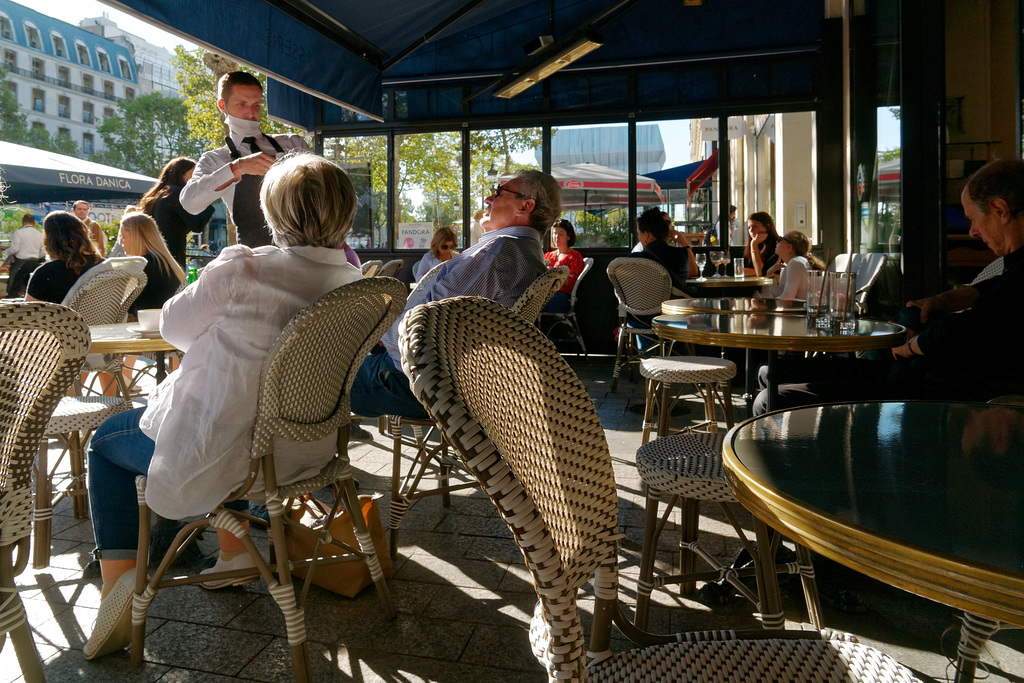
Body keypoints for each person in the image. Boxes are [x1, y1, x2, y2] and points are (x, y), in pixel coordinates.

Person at [81, 152, 364, 661]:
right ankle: (233, 555)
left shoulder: (245, 268)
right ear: (345, 211)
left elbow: (174, 330)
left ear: (274, 210)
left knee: (106, 442)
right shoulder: (353, 282)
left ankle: (119, 585)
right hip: (306, 453)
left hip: (234, 451)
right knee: (232, 409)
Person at [754, 158, 1024, 414]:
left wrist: (911, 346)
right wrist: (937, 302)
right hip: (912, 370)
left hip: (929, 390)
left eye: (973, 219)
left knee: (769, 399)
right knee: (769, 373)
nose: (972, 232)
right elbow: (989, 290)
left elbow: (970, 326)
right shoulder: (1011, 268)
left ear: (1000, 210)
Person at [350, 169, 558, 420]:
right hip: (458, 382)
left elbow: (414, 334)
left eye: (499, 193)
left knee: (317, 379)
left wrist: (380, 321)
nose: (489, 200)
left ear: (525, 206)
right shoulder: (526, 252)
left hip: (421, 384)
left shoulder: (498, 253)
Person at [181, 71, 310, 248]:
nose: (250, 113)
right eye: (242, 104)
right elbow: (189, 203)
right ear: (222, 105)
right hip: (255, 264)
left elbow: (326, 191)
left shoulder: (293, 144)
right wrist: (237, 168)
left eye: (256, 105)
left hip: (303, 256)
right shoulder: (216, 159)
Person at [138, 157, 216, 268]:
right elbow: (197, 225)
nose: (196, 180)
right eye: (193, 176)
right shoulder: (176, 194)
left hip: (158, 255)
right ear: (181, 175)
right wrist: (208, 197)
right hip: (171, 258)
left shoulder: (164, 193)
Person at [24, 211, 104, 304]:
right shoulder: (104, 266)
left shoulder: (46, 273)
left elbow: (28, 312)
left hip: (61, 318)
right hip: (100, 318)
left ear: (50, 239)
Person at [117, 211, 185, 313]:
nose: (121, 242)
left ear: (136, 236)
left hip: (150, 325)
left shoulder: (143, 265)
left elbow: (124, 307)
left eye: (123, 237)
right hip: (170, 321)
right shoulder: (164, 261)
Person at [631, 206, 699, 290]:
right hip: (673, 302)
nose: (639, 238)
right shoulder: (680, 255)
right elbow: (693, 273)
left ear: (646, 235)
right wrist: (685, 245)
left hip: (643, 302)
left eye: (639, 234)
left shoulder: (633, 259)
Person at [757, 230, 824, 300]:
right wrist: (769, 274)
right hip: (797, 308)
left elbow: (787, 299)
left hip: (800, 309)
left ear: (789, 246)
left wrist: (766, 303)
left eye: (780, 240)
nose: (776, 242)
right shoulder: (792, 263)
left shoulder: (796, 263)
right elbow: (779, 294)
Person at [542, 219, 586, 314]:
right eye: (554, 233)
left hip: (561, 296)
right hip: (543, 293)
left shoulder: (574, 256)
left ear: (568, 236)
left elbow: (571, 282)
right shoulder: (548, 255)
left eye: (561, 234)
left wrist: (553, 273)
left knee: (531, 305)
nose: (556, 237)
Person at [4, 214, 45, 297]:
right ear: (34, 223)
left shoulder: (19, 232)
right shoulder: (39, 234)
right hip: (34, 262)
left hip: (21, 262)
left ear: (22, 222)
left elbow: (15, 249)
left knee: (13, 286)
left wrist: (4, 252)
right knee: (30, 286)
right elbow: (43, 252)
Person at [743, 211, 780, 276]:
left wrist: (754, 245)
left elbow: (761, 273)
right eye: (749, 227)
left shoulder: (778, 246)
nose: (751, 230)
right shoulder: (755, 244)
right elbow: (741, 270)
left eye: (755, 226)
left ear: (767, 226)